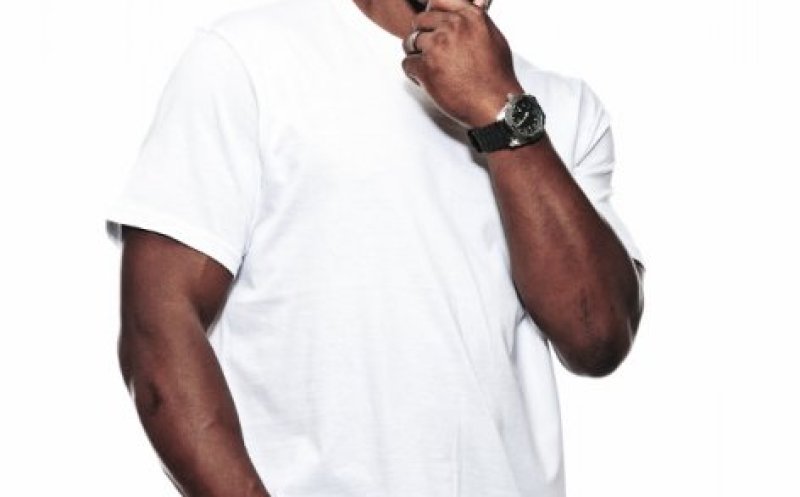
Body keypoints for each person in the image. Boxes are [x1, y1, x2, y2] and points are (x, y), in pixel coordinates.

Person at [106, 0, 645, 495]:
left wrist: (500, 110)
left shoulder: (563, 108)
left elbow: (597, 338)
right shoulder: (247, 58)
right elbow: (160, 325)